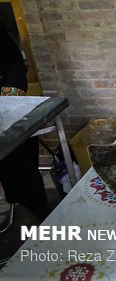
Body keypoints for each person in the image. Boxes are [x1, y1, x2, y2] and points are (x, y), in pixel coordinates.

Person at [0, 24, 50, 223]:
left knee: (18, 154)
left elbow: (14, 68)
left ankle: (36, 207)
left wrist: (8, 99)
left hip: (5, 106)